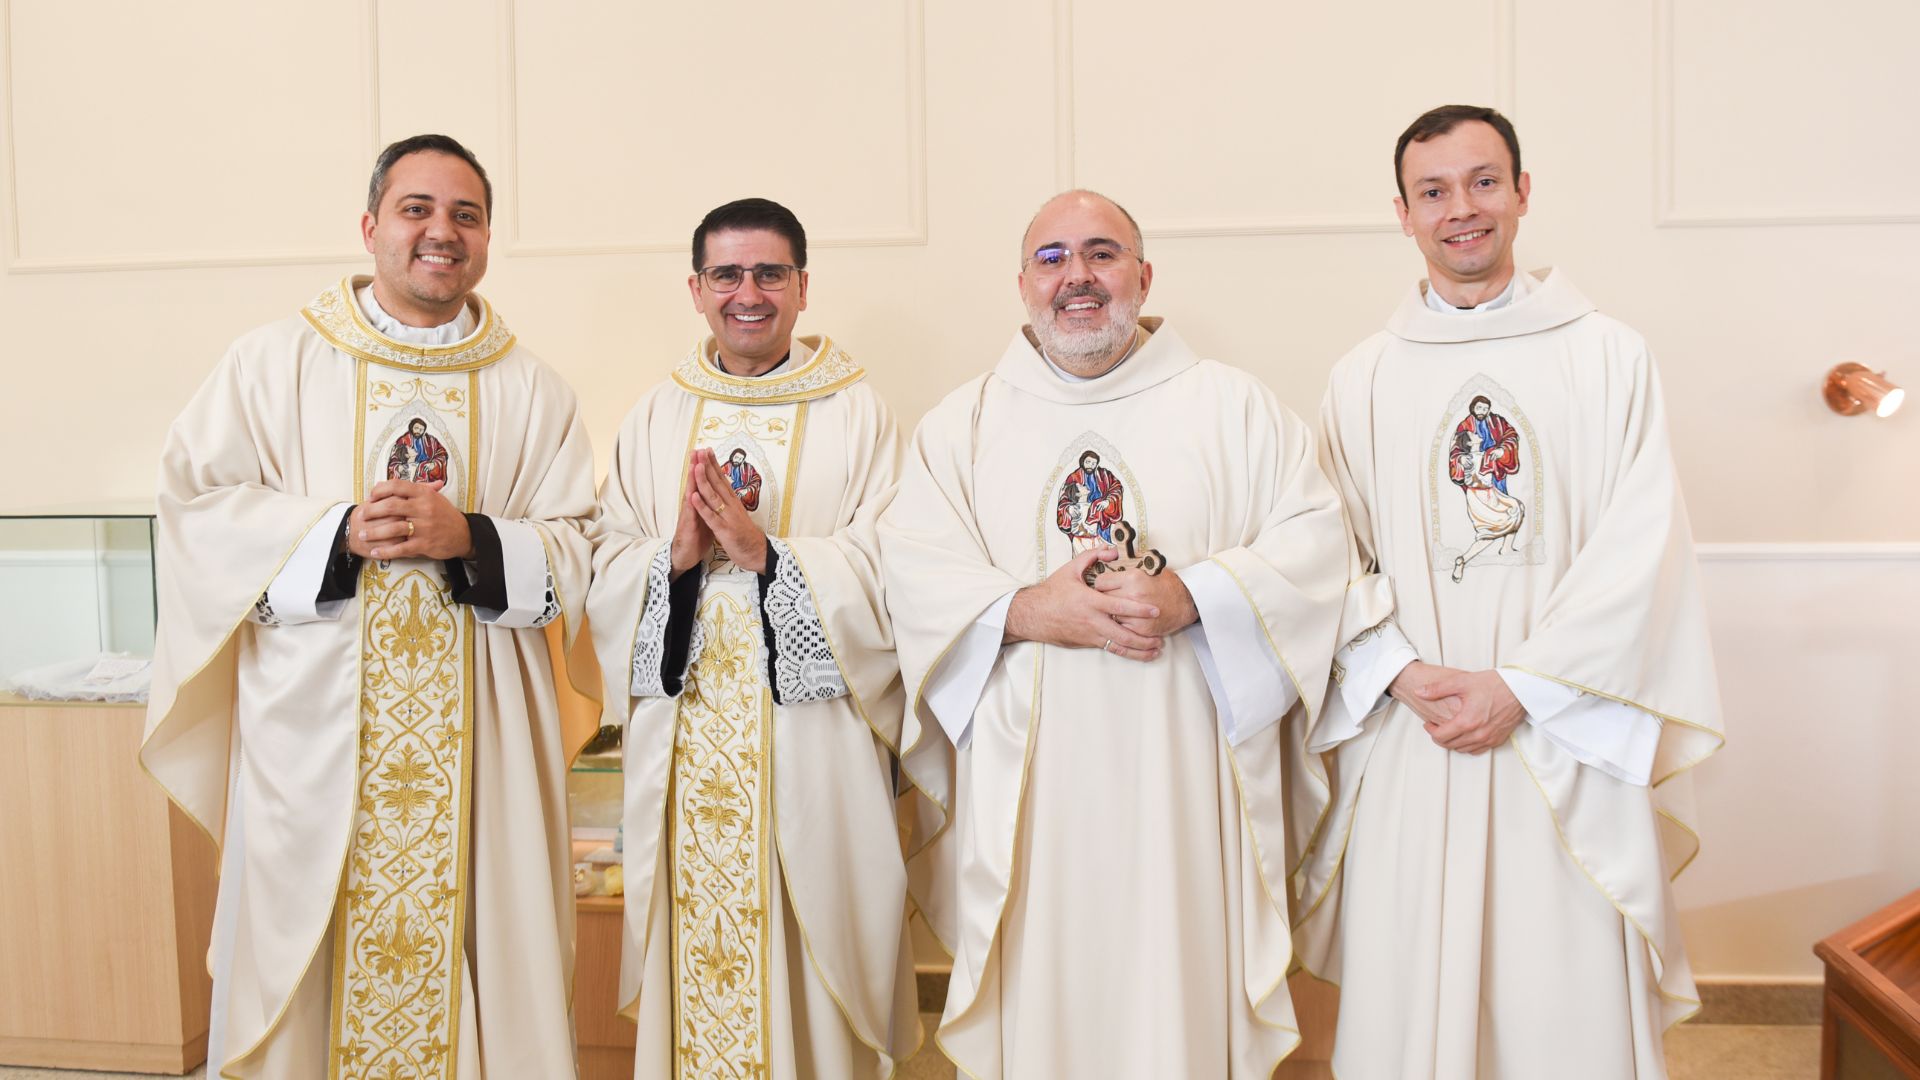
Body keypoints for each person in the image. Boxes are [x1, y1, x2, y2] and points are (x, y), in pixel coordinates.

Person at [140, 133, 599, 1079]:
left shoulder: (534, 390)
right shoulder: (272, 364)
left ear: (487, 238)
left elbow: (581, 553)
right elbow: (196, 512)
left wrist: (474, 539)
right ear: (370, 226)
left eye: (466, 215)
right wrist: (335, 533)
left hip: (481, 753)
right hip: (311, 742)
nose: (442, 232)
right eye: (416, 209)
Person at [879, 190, 1357, 1078]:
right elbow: (911, 569)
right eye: (1053, 259)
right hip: (1031, 792)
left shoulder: (1233, 408)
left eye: (1102, 254)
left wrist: (1194, 596)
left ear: (1144, 275)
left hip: (1184, 778)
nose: (1078, 277)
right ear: (1023, 284)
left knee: (1177, 992)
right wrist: (1028, 610)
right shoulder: (963, 425)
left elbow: (1315, 547)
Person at [1298, 105, 1725, 1079]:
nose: (1462, 209)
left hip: (1566, 733)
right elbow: (1327, 555)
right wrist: (1399, 671)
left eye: (1483, 182)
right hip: (1418, 732)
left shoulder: (1607, 356)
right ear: (1403, 213)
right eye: (1434, 191)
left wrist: (1522, 687)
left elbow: (1641, 550)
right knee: (1415, 982)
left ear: (1523, 194)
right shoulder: (1363, 378)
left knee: (1560, 999)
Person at [585, 197, 921, 1078]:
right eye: (727, 274)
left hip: (815, 746)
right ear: (696, 289)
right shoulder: (656, 417)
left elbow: (897, 569)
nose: (749, 293)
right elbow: (603, 566)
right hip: (687, 744)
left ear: (803, 287)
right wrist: (675, 560)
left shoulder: (860, 415)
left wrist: (769, 557)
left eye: (770, 273)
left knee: (814, 952)